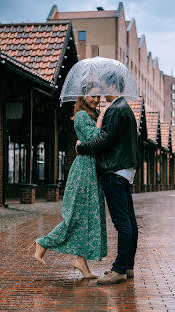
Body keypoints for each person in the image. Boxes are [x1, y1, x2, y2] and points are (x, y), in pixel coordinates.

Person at [32, 82, 107, 279]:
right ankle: (43, 242)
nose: (97, 100)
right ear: (83, 96)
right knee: (75, 217)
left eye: (99, 97)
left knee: (88, 217)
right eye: (93, 96)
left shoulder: (91, 115)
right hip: (84, 172)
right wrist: (100, 121)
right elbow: (94, 138)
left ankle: (80, 261)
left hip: (92, 172)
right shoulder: (82, 116)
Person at [76, 71, 140, 285]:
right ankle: (128, 266)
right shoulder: (126, 109)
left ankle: (119, 270)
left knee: (122, 222)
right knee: (129, 220)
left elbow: (104, 140)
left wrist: (81, 147)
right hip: (125, 170)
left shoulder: (116, 110)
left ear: (113, 85)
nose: (101, 92)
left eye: (103, 86)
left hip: (114, 171)